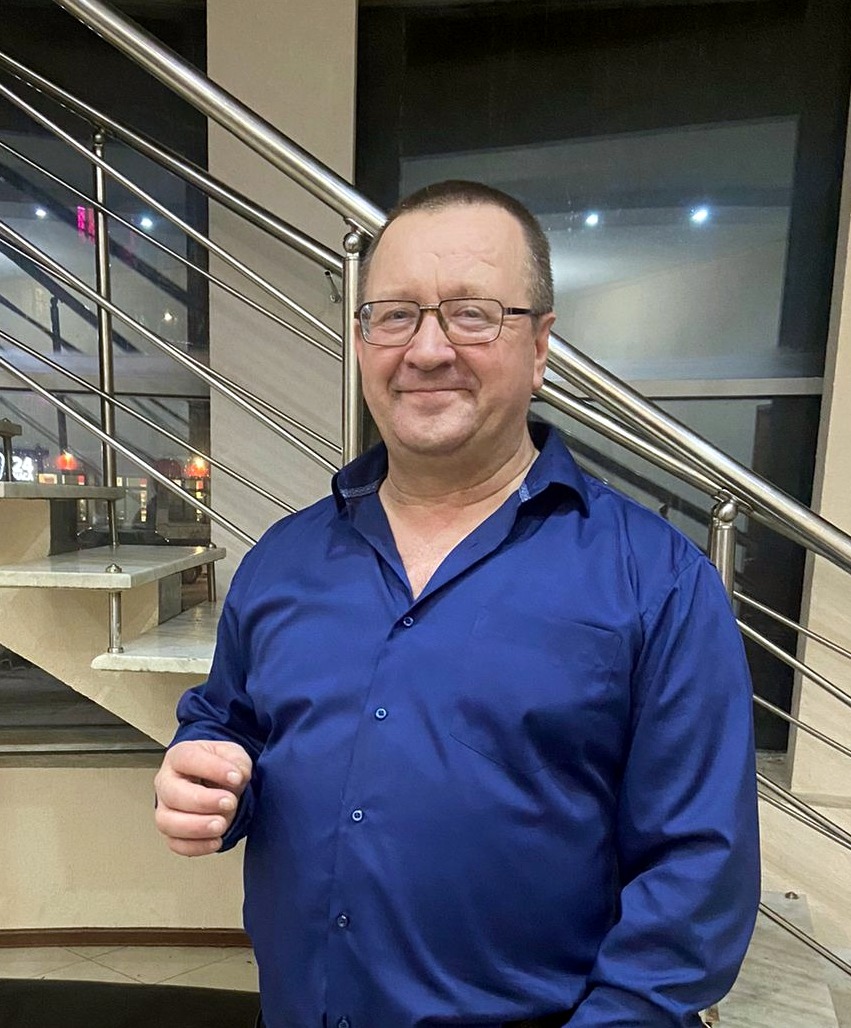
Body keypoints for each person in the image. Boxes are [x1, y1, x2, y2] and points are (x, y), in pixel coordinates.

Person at [154, 180, 760, 1028]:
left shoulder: (654, 580)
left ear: (539, 346)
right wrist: (205, 772)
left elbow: (696, 873)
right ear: (360, 339)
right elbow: (228, 723)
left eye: (471, 314)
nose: (427, 349)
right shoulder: (283, 561)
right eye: (394, 315)